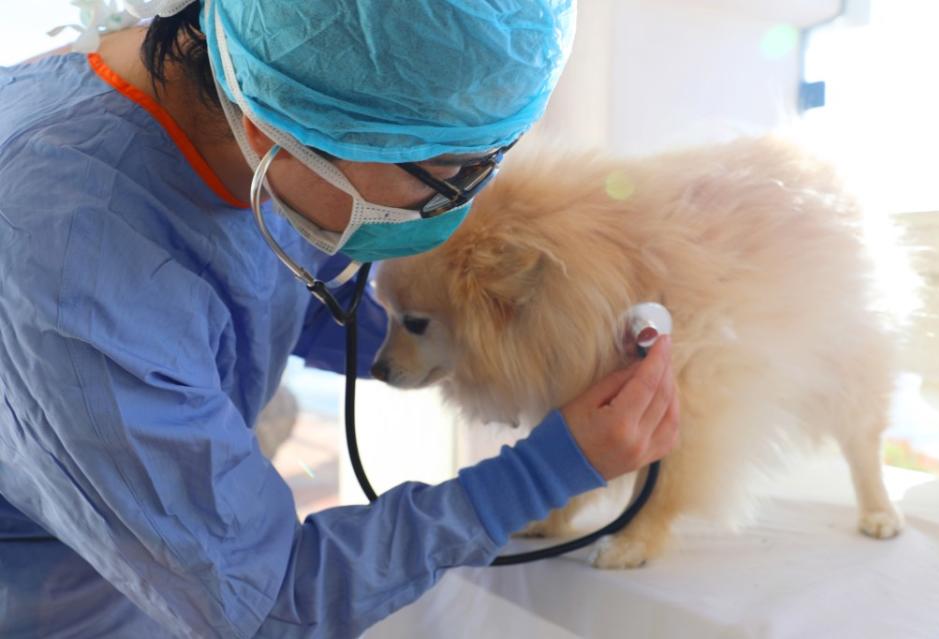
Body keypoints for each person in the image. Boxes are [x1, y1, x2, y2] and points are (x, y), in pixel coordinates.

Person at [0, 1, 680, 637]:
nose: (462, 204)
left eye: (488, 158)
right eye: (448, 171)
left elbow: (257, 287)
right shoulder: (68, 259)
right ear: (280, 130)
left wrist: (450, 341)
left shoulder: (266, 113)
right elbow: (264, 602)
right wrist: (546, 471)